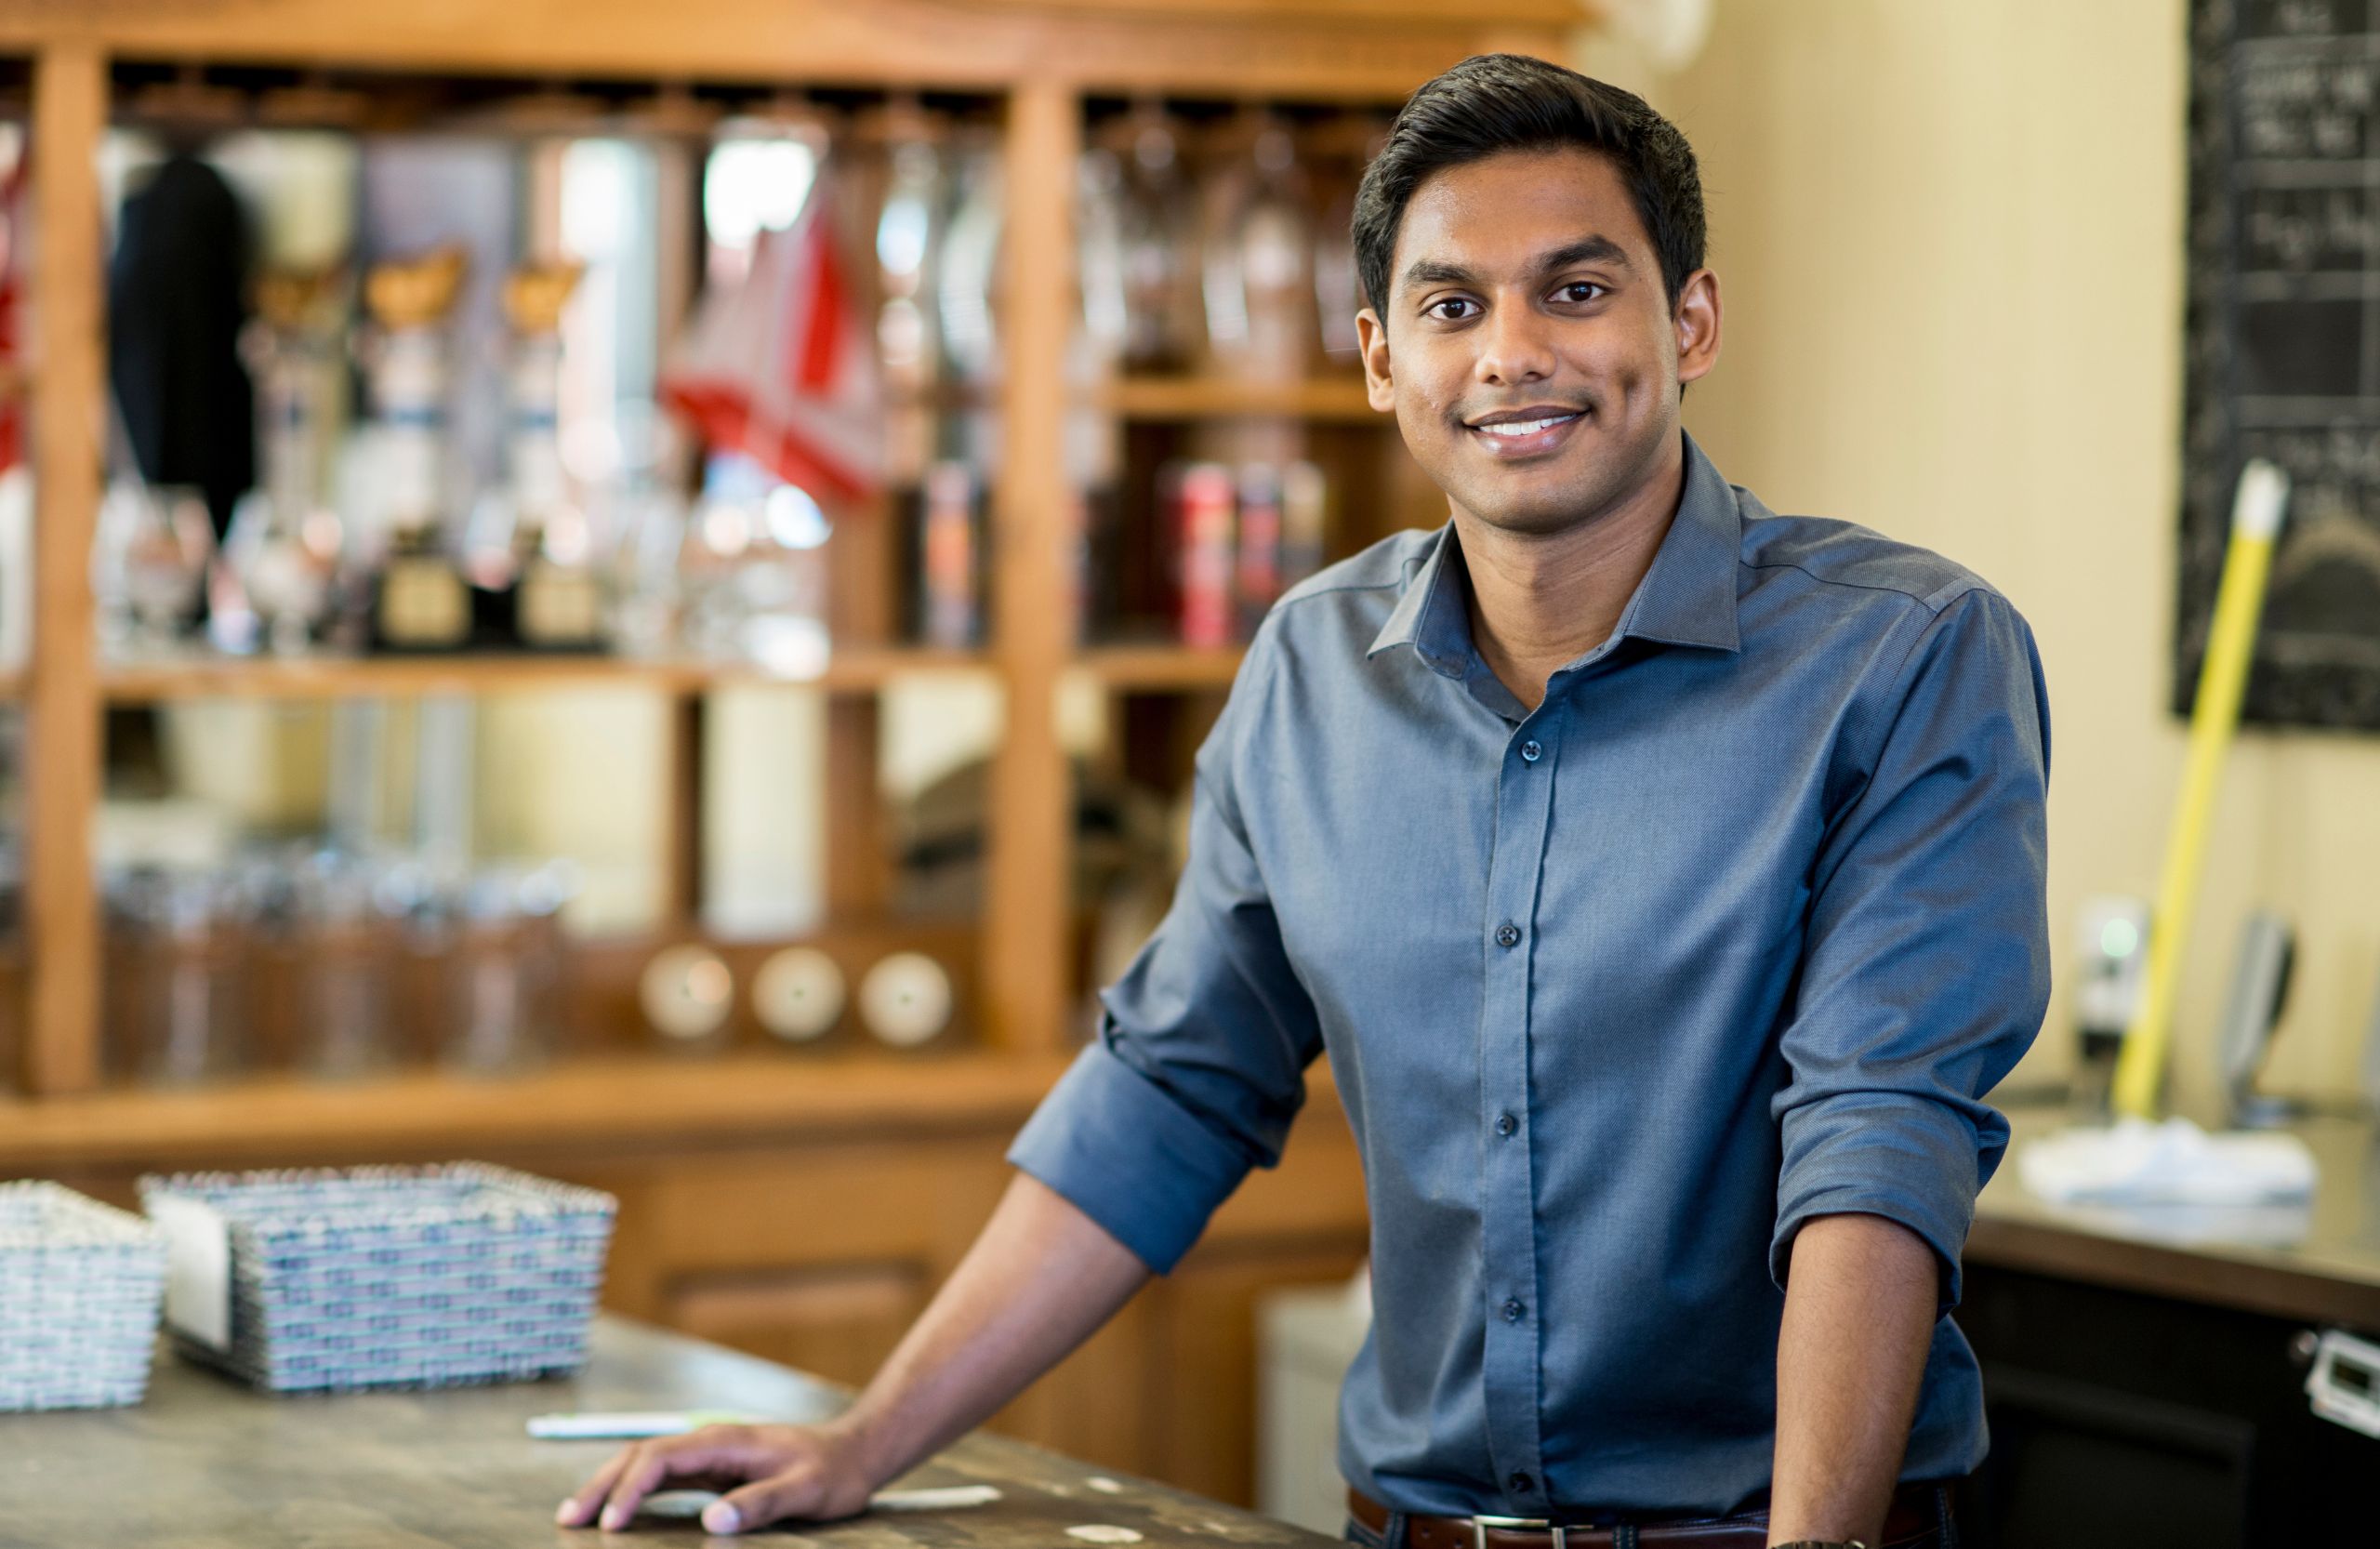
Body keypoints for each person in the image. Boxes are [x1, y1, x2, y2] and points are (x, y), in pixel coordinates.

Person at [560, 53, 2048, 1549]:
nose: (1511, 352)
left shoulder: (1905, 657)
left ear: (1692, 322)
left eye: (1578, 291)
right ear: (1379, 358)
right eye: (1453, 305)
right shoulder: (1314, 667)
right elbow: (1171, 1086)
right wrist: (860, 1442)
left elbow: (1873, 1139)